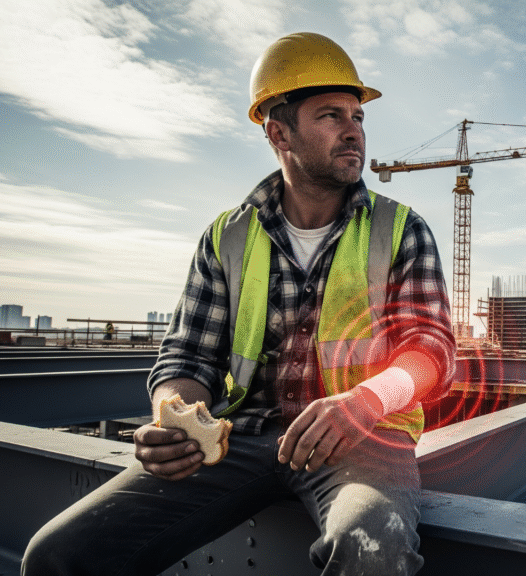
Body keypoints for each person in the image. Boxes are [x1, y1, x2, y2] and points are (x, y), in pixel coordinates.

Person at [22, 32, 455, 576]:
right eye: (330, 116)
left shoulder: (400, 229)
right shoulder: (227, 236)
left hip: (363, 441)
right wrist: (173, 417)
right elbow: (186, 357)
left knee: (372, 549)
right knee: (57, 555)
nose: (353, 131)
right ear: (279, 133)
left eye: (358, 117)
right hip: (238, 439)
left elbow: (430, 352)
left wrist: (365, 402)